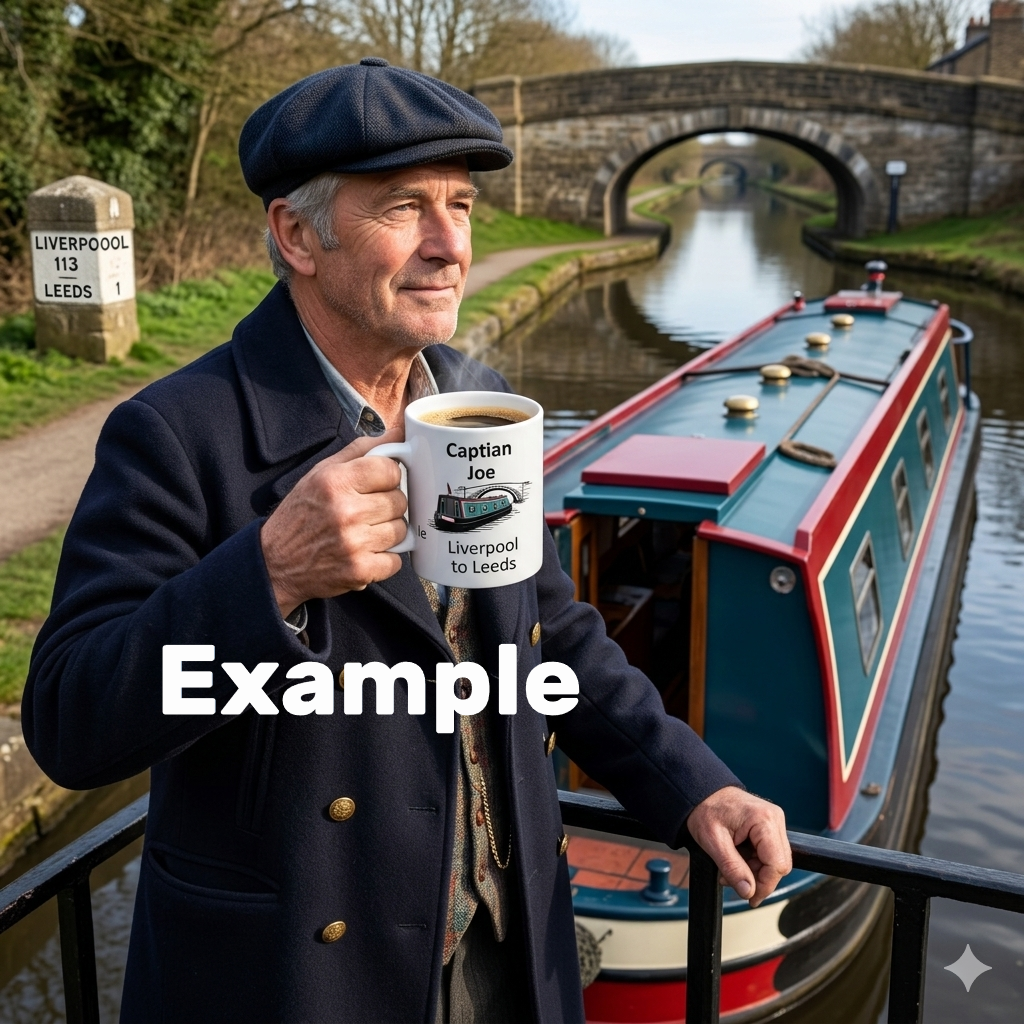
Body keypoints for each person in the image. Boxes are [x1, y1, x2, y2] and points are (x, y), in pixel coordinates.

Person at [23, 59, 791, 1024]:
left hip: (509, 958)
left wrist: (689, 784)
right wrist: (268, 573)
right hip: (302, 979)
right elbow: (68, 718)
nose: (450, 246)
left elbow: (551, 630)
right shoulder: (180, 434)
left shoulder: (470, 401)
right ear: (297, 234)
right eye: (403, 208)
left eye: (461, 206)